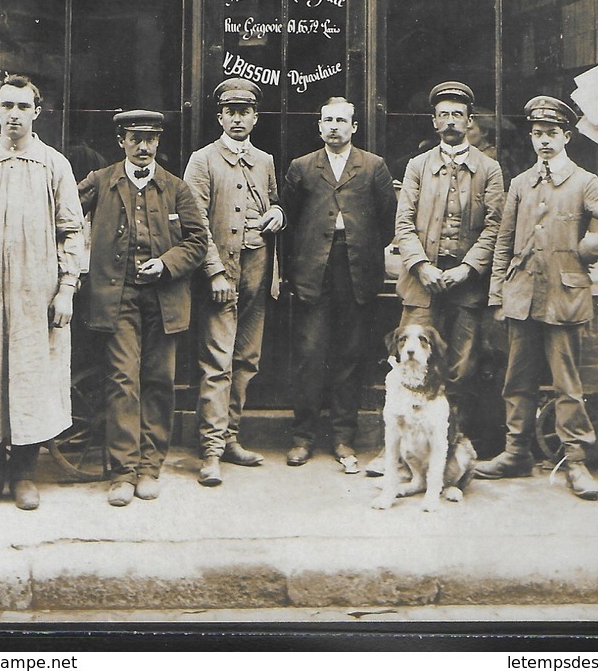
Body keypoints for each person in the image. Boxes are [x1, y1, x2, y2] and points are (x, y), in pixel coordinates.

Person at [474, 96, 598, 500]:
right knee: (517, 381)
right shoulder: (520, 183)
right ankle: (515, 453)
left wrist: (586, 248)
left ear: (567, 136)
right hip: (522, 296)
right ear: (531, 138)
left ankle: (575, 461)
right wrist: (497, 295)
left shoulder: (584, 181)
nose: (544, 141)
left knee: (567, 385)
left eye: (552, 134)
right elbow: (505, 243)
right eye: (538, 134)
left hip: (564, 296)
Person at [0, 75, 85, 513]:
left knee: (32, 380)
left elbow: (72, 233)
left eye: (23, 107)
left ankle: (25, 472)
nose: (14, 114)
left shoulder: (54, 165)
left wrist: (65, 290)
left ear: (36, 112)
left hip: (35, 300)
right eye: (6, 106)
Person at [78, 110, 207, 506]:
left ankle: (150, 468)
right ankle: (122, 472)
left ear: (159, 142)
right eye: (135, 138)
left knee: (159, 381)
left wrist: (166, 263)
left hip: (164, 298)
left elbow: (198, 241)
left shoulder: (175, 187)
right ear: (121, 141)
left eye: (150, 139)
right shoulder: (101, 181)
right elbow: (61, 213)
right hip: (117, 299)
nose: (143, 147)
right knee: (122, 380)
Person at [282, 96, 397, 471]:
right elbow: (290, 220)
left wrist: (360, 248)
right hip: (314, 271)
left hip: (357, 269)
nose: (334, 126)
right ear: (319, 126)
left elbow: (387, 220)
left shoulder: (373, 166)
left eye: (341, 121)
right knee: (310, 355)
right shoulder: (302, 167)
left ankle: (344, 439)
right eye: (327, 120)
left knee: (350, 355)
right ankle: (303, 438)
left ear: (353, 127)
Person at [184, 79, 284, 487]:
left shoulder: (265, 160)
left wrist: (277, 212)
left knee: (247, 359)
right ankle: (209, 451)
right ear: (220, 117)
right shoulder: (202, 160)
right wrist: (215, 272)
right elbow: (195, 224)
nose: (238, 118)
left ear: (255, 117)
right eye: (231, 111)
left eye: (246, 111)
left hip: (257, 271)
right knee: (217, 362)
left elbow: (273, 200)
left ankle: (230, 438)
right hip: (221, 277)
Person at [393, 82, 505, 439]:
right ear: (434, 122)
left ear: (470, 121)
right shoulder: (417, 166)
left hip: (466, 285)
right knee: (411, 362)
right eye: (444, 115)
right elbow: (403, 222)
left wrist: (467, 269)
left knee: (461, 367)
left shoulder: (490, 169)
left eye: (458, 115)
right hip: (422, 282)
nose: (451, 122)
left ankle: (453, 443)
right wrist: (421, 266)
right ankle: (406, 443)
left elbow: (496, 226)